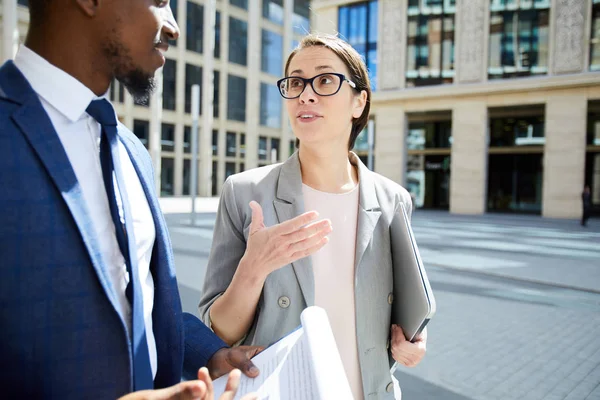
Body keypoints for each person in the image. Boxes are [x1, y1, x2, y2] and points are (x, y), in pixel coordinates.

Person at [0, 0, 261, 398]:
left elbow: (136, 299)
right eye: (160, 1)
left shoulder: (132, 151)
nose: (173, 28)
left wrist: (210, 355)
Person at [199, 33, 427, 400]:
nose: (305, 94)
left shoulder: (392, 200)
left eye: (324, 80)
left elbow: (403, 311)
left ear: (359, 101)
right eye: (295, 82)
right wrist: (254, 267)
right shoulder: (245, 192)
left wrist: (413, 342)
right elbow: (219, 333)